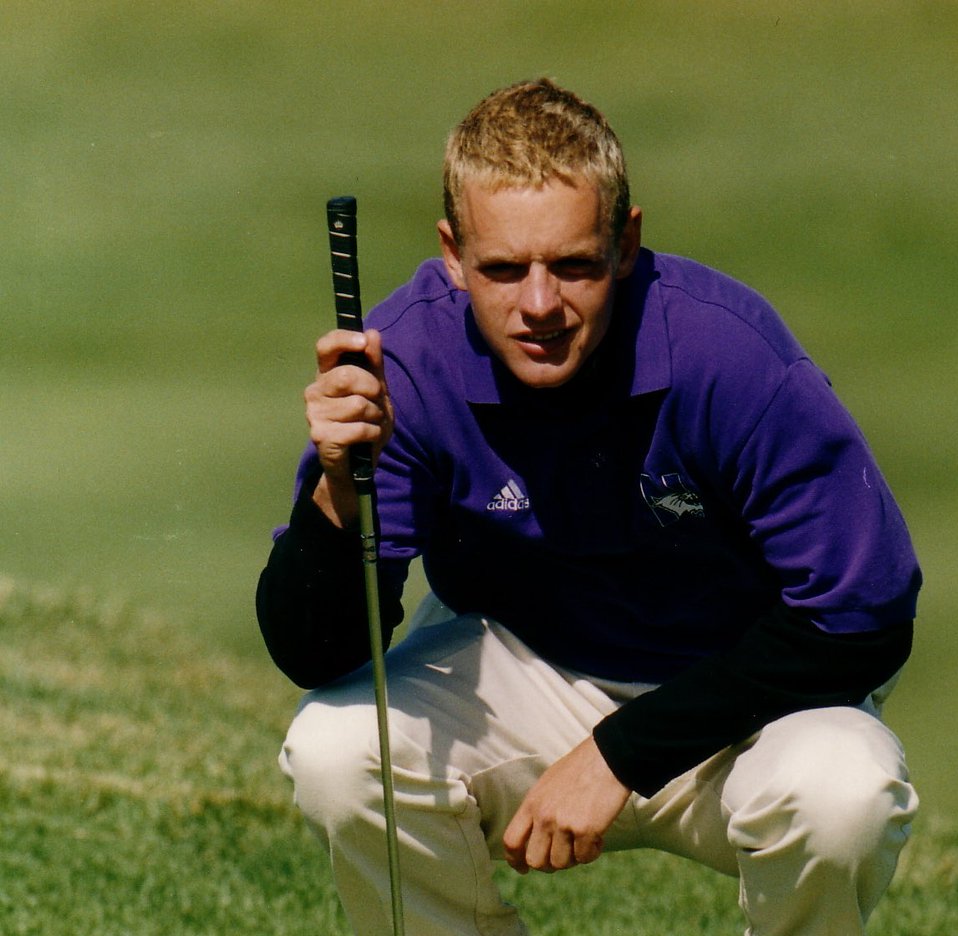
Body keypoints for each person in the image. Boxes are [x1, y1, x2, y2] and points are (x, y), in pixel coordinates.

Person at [257, 78, 922, 936]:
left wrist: (619, 754)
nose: (540, 306)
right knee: (336, 749)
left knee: (845, 793)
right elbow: (318, 654)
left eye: (572, 264)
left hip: (743, 705)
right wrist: (336, 498)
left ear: (627, 242)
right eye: (502, 269)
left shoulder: (728, 352)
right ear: (452, 254)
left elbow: (865, 616)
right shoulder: (403, 363)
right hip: (522, 674)